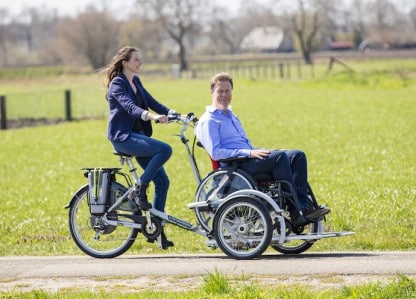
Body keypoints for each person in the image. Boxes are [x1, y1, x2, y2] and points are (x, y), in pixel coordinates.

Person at [195, 72, 330, 224]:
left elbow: (244, 144)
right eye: (220, 91)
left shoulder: (232, 116)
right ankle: (295, 211)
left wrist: (261, 150)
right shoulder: (209, 121)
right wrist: (250, 153)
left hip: (247, 158)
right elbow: (216, 152)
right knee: (279, 157)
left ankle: (303, 207)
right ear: (212, 92)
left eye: (227, 91)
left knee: (297, 155)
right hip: (236, 167)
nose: (224, 95)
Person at [103, 46, 175, 248]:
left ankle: (157, 232)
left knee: (163, 182)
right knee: (165, 149)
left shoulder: (136, 81)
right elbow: (130, 107)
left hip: (138, 135)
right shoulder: (117, 84)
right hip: (123, 137)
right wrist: (151, 116)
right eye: (136, 59)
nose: (140, 62)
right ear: (125, 62)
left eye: (141, 59)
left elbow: (151, 101)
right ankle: (140, 187)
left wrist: (174, 113)